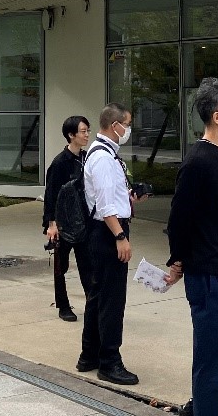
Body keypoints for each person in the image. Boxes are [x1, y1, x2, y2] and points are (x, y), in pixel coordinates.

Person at [164, 77, 218, 416]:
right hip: (209, 276)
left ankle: (200, 407)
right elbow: (179, 220)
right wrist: (179, 261)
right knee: (212, 360)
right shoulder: (197, 162)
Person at [79, 102, 142, 386]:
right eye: (126, 124)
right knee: (112, 301)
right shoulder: (103, 158)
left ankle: (89, 354)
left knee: (98, 296)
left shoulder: (106, 154)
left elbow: (110, 198)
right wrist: (120, 237)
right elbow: (105, 205)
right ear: (113, 125)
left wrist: (129, 200)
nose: (128, 130)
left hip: (103, 230)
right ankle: (110, 362)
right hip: (107, 233)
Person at [43, 114, 91, 322]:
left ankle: (92, 302)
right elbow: (51, 196)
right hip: (63, 225)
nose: (87, 134)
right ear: (71, 135)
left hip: (83, 222)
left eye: (88, 130)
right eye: (83, 131)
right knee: (60, 267)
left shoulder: (87, 158)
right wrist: (51, 224)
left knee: (87, 265)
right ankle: (63, 305)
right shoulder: (59, 163)